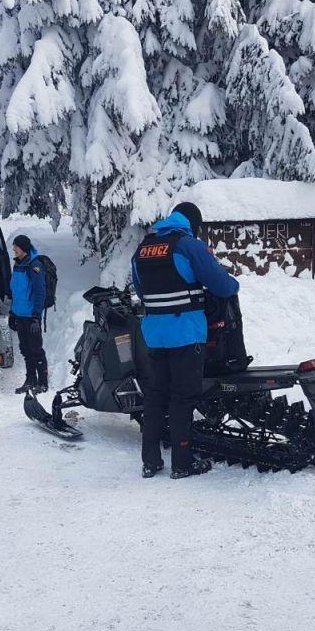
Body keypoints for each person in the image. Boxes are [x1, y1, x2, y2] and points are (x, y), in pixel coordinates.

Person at [131, 202, 239, 480]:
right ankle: (182, 463)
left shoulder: (143, 248)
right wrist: (233, 285)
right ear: (193, 223)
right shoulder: (187, 245)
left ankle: (150, 462)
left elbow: (140, 288)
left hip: (154, 335)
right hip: (185, 335)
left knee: (155, 397)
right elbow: (221, 284)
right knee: (182, 398)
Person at [9, 235, 48, 394]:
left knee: (36, 350)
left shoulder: (34, 265)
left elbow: (40, 292)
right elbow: (16, 292)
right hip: (19, 316)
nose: (14, 249)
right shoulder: (17, 265)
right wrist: (12, 312)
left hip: (31, 317)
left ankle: (43, 382)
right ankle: (30, 380)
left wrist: (36, 317)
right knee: (25, 349)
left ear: (23, 248)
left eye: (16, 246)